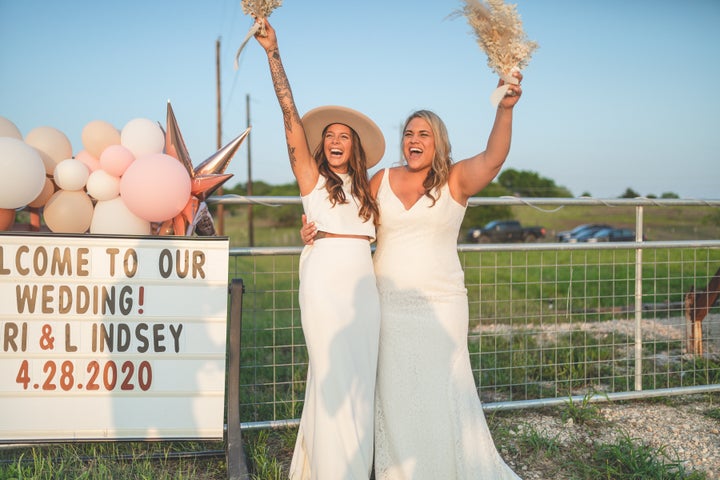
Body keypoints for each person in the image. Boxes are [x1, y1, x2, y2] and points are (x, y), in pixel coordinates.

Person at [303, 76, 524, 478]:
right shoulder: (380, 179)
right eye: (408, 133)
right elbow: (344, 214)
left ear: (437, 141)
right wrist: (313, 228)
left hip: (441, 305)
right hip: (384, 305)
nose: (413, 140)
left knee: (442, 390)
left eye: (423, 133)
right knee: (394, 393)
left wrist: (504, 109)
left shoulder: (456, 179)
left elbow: (493, 157)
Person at [253, 18, 385, 480]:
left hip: (365, 291)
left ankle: (351, 466)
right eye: (328, 135)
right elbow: (290, 120)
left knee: (361, 377)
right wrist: (274, 54)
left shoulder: (371, 189)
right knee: (331, 373)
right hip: (325, 280)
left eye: (342, 136)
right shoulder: (311, 181)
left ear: (355, 147)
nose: (334, 141)